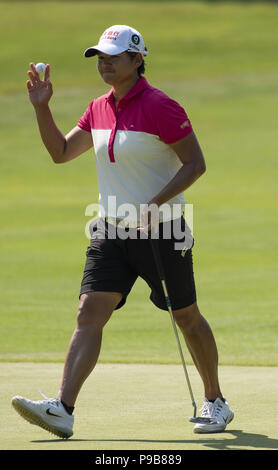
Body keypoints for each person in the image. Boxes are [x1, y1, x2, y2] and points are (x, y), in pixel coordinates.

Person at [12, 25, 234, 438]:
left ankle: (215, 401)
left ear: (137, 59)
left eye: (114, 56)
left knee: (185, 316)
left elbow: (195, 164)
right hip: (111, 231)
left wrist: (156, 203)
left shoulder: (161, 106)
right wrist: (42, 107)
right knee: (88, 312)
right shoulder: (98, 107)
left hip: (163, 231)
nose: (105, 63)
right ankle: (62, 408)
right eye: (100, 56)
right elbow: (61, 153)